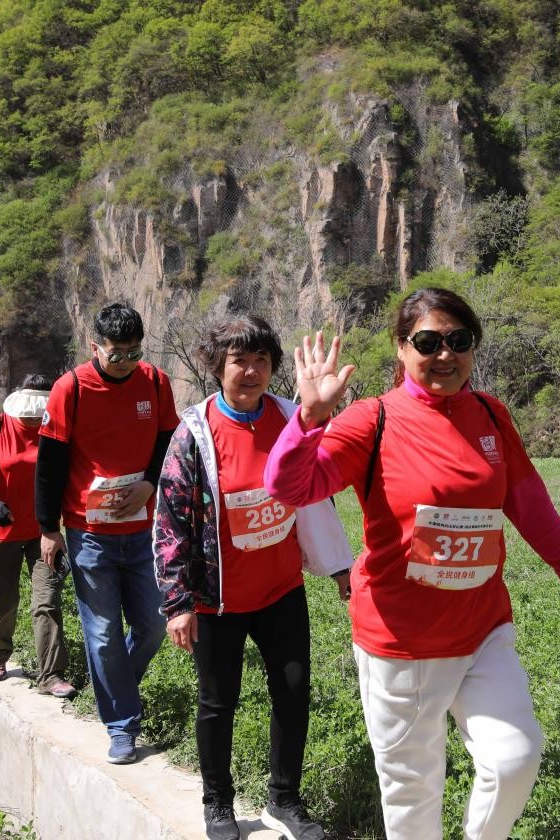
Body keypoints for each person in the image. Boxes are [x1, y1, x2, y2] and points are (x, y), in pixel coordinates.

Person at [264, 288, 560, 840]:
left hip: (482, 630)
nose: (445, 354)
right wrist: (309, 418)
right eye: (428, 342)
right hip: (400, 642)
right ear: (401, 349)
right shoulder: (370, 420)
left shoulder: (491, 416)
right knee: (412, 793)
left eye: (459, 341)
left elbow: (527, 500)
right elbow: (291, 486)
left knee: (514, 758)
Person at [153, 316, 354, 840]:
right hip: (217, 599)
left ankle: (284, 801)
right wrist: (177, 603)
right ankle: (218, 804)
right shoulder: (193, 435)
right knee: (218, 702)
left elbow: (316, 500)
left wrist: (339, 568)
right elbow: (171, 523)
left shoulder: (293, 418)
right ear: (217, 366)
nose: (251, 370)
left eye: (261, 360)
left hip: (281, 590)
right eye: (239, 360)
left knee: (293, 693)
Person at [35, 303, 176, 765]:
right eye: (117, 354)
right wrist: (47, 529)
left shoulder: (154, 382)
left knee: (155, 622)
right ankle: (121, 725)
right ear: (95, 346)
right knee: (101, 634)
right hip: (87, 532)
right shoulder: (70, 388)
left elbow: (165, 441)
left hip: (141, 527)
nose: (127, 363)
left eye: (135, 353)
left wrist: (150, 483)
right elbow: (50, 463)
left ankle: (116, 689)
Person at [0, 375, 75, 698]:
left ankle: (51, 675)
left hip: (44, 533)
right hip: (0, 531)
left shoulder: (55, 429)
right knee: (2, 600)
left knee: (47, 602)